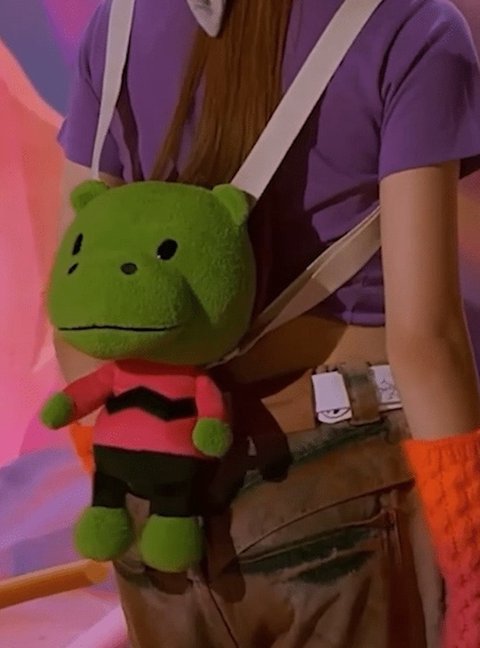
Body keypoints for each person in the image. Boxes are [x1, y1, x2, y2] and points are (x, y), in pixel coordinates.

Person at [55, 0, 480, 646]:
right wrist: (470, 563)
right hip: (346, 485)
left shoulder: (116, 26)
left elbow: (76, 310)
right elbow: (426, 341)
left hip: (160, 505)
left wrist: (129, 469)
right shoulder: (411, 26)